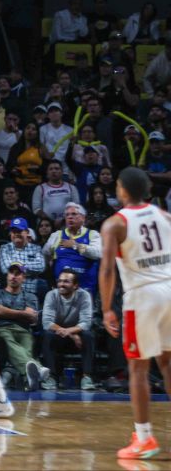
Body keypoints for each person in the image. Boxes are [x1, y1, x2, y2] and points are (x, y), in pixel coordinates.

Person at [100, 167, 171, 460]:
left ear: (123, 190)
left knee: (138, 369)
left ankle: (144, 439)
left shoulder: (115, 223)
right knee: (168, 363)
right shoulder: (165, 216)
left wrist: (107, 308)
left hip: (143, 296)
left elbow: (107, 270)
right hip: (170, 288)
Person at [33, 270, 96, 392]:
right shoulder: (51, 295)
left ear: (75, 285)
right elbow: (47, 323)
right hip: (59, 336)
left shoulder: (84, 295)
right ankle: (50, 377)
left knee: (88, 335)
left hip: (78, 339)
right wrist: (71, 334)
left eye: (66, 281)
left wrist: (71, 332)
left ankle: (87, 377)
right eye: (60, 281)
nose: (61, 284)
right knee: (47, 335)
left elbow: (86, 322)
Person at [0, 264, 39, 389]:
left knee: (27, 344)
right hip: (2, 328)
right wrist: (22, 313)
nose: (13, 276)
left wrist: (6, 312)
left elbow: (32, 318)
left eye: (17, 274)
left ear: (24, 278)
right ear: (7, 276)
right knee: (9, 340)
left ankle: (27, 377)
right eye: (11, 273)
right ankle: (37, 370)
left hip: (23, 330)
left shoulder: (30, 296)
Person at [42, 203, 101, 298]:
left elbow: (97, 254)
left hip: (85, 289)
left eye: (74, 214)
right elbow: (45, 254)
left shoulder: (93, 234)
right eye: (67, 215)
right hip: (61, 290)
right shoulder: (57, 235)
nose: (70, 217)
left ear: (83, 218)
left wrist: (75, 245)